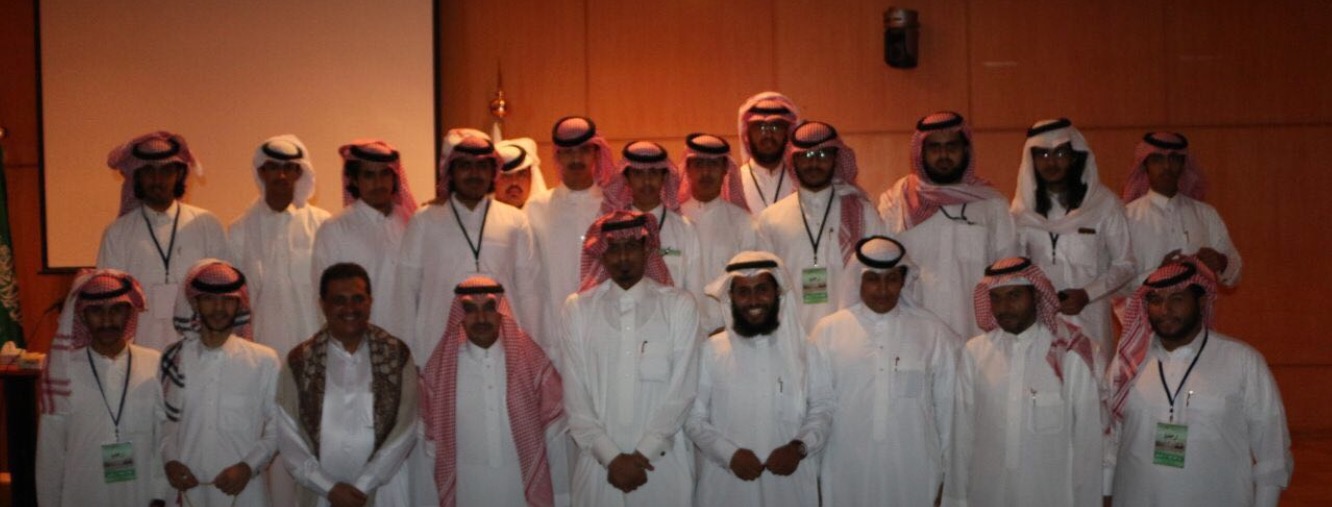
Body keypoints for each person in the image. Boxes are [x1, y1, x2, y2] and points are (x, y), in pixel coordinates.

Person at [1104, 260, 1291, 507]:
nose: (1165, 309)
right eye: (1156, 300)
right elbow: (1110, 439)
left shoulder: (1242, 361)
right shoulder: (1127, 364)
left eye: (1177, 299)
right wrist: (1105, 494)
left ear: (1202, 302)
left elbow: (1272, 453)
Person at [560, 210, 700, 506]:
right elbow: (575, 397)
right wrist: (610, 457)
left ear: (648, 249)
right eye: (614, 248)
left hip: (661, 465)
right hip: (598, 465)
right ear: (601, 254)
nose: (623, 257)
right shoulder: (578, 309)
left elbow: (683, 391)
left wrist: (643, 453)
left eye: (632, 246)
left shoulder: (678, 305)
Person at [806, 236, 959, 505]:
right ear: (858, 281)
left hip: (916, 471)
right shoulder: (828, 332)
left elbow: (948, 411)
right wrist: (813, 478)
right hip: (844, 471)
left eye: (891, 279)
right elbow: (818, 409)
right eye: (873, 279)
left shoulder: (933, 333)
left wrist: (949, 478)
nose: (883, 289)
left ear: (903, 281)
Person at [945, 257, 1102, 507]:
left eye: (1014, 295)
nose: (1004, 307)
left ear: (1037, 295)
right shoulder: (975, 353)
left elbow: (1088, 442)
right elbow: (961, 437)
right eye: (996, 298)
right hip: (987, 494)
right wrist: (956, 501)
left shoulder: (1071, 354)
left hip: (1051, 496)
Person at [686, 251, 823, 507]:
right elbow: (693, 417)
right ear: (731, 297)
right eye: (743, 292)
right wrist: (729, 455)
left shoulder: (804, 349)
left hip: (789, 487)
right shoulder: (711, 351)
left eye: (762, 289)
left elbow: (822, 408)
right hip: (726, 485)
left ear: (777, 292)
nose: (753, 300)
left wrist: (799, 447)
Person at [396, 129, 543, 365]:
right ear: (451, 171)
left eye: (482, 166)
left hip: (502, 351)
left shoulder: (515, 221)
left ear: (493, 172)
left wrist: (530, 352)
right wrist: (408, 357)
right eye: (465, 166)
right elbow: (405, 292)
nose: (474, 173)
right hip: (437, 348)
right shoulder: (424, 221)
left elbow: (529, 294)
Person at [277, 263, 418, 506]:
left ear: (370, 302)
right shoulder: (300, 362)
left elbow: (405, 429)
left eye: (358, 299)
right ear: (323, 305)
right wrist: (328, 488)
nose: (350, 308)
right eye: (339, 300)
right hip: (320, 495)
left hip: (383, 491)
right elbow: (288, 436)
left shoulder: (396, 356)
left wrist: (363, 485)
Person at [420, 275, 564, 506]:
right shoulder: (442, 369)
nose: (481, 318)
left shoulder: (529, 361)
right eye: (470, 309)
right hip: (466, 487)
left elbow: (555, 434)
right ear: (460, 315)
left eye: (488, 308)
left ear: (500, 312)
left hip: (522, 485)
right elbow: (429, 446)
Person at [878, 111, 1018, 338]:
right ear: (921, 152)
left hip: (976, 334)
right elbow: (884, 268)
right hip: (914, 334)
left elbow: (1007, 275)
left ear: (965, 150)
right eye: (934, 148)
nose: (943, 155)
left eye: (951, 146)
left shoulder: (991, 205)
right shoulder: (898, 202)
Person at [36, 270, 169, 507]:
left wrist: (161, 494)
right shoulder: (63, 370)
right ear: (83, 315)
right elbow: (51, 452)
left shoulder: (154, 363)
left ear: (129, 313)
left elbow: (163, 440)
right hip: (83, 494)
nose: (107, 320)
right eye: (97, 311)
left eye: (116, 310)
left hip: (141, 494)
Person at [1011, 118, 1135, 363]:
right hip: (1040, 327)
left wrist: (1088, 294)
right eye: (1042, 155)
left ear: (1074, 156)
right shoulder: (1021, 213)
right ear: (1032, 160)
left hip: (1091, 324)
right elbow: (1016, 272)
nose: (1051, 162)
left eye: (1059, 153)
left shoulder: (1104, 205)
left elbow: (1126, 265)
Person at [96, 131, 231, 351]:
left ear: (179, 175)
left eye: (166, 170)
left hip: (198, 351)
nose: (157, 179)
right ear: (137, 177)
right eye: (149, 171)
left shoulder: (207, 224)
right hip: (140, 350)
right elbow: (109, 302)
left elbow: (224, 295)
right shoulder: (117, 233)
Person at [160, 259, 280, 506]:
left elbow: (278, 427)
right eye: (209, 299)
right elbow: (163, 423)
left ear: (239, 304)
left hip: (247, 493)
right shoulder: (176, 358)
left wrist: (248, 467)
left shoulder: (263, 360)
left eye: (227, 300)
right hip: (189, 491)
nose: (219, 308)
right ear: (195, 303)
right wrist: (170, 460)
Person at [756, 120, 885, 335]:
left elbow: (882, 272)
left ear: (836, 158)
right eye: (806, 155)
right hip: (793, 337)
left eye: (823, 154)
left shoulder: (862, 212)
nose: (814, 162)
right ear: (793, 160)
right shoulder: (771, 218)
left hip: (851, 335)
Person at [524, 116, 617, 364]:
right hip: (553, 334)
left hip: (606, 331)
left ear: (596, 153)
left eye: (584, 150)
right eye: (568, 152)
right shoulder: (535, 208)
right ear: (558, 156)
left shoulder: (613, 205)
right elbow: (529, 278)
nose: (576, 159)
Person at [229, 135, 331, 357]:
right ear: (262, 172)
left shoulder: (323, 225)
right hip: (261, 350)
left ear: (299, 172)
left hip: (315, 347)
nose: (281, 175)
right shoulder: (240, 230)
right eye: (274, 167)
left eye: (289, 168)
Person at [312, 139, 420, 337]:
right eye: (369, 175)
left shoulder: (412, 223)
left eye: (385, 174)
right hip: (360, 343)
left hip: (411, 341)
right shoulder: (335, 229)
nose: (378, 183)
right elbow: (326, 298)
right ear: (354, 180)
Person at [1120, 132, 1242, 292]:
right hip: (1145, 308)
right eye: (1157, 159)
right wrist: (1157, 274)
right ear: (1145, 166)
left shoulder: (1206, 215)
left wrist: (1222, 263)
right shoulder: (1125, 218)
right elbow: (1113, 285)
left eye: (1174, 159)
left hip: (1198, 308)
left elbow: (1235, 274)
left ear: (1183, 164)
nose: (1167, 166)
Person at [601, 140, 706, 302]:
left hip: (674, 316)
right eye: (638, 174)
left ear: (664, 177)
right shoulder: (609, 230)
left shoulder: (686, 229)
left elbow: (695, 291)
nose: (647, 181)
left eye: (653, 173)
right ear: (626, 178)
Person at [735, 92, 801, 215]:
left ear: (787, 133)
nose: (768, 135)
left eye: (776, 127)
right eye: (760, 127)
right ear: (747, 134)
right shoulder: (734, 182)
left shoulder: (800, 182)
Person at [494, 137, 549, 209]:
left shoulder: (547, 214)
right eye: (506, 175)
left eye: (521, 175)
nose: (514, 182)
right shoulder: (482, 215)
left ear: (531, 178)